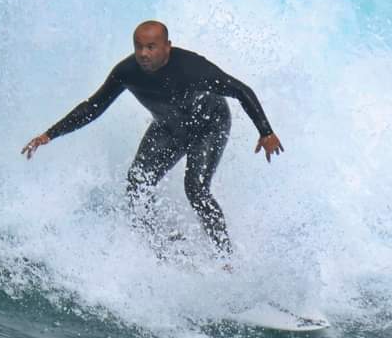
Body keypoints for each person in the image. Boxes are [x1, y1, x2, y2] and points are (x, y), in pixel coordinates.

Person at [21, 20, 284, 254]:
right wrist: (49, 134)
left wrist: (266, 132)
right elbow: (94, 107)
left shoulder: (193, 68)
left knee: (196, 190)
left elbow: (240, 90)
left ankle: (225, 255)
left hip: (208, 126)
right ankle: (155, 247)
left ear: (167, 46)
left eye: (151, 47)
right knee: (137, 183)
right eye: (139, 47)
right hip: (168, 128)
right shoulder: (127, 72)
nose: (144, 54)